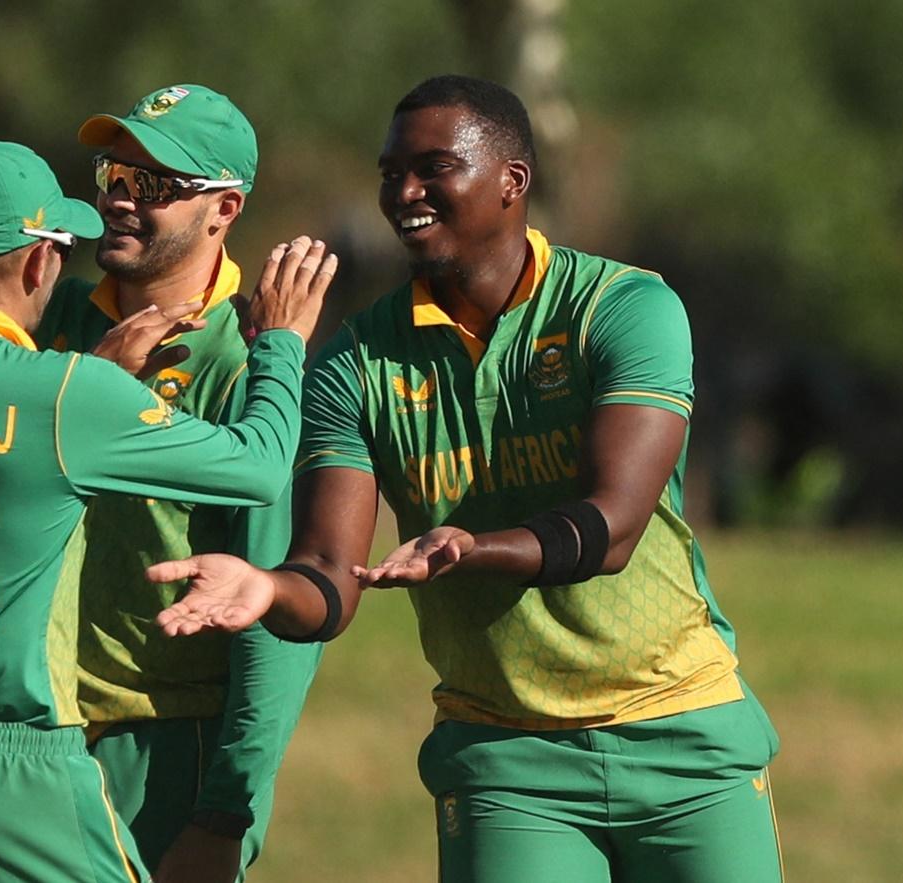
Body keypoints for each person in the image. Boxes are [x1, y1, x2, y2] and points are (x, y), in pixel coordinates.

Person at [149, 75, 785, 882]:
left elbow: (614, 525)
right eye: (389, 173)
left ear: (512, 181)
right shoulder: (357, 360)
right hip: (505, 757)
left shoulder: (621, 307)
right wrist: (269, 590)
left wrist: (473, 548)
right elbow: (330, 575)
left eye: (432, 168)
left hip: (683, 729)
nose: (403, 193)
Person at [0, 85, 325, 883]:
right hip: (36, 741)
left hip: (161, 752)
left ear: (226, 208)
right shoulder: (52, 325)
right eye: (110, 174)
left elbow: (272, 613)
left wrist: (230, 807)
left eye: (151, 186)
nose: (120, 201)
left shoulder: (246, 362)